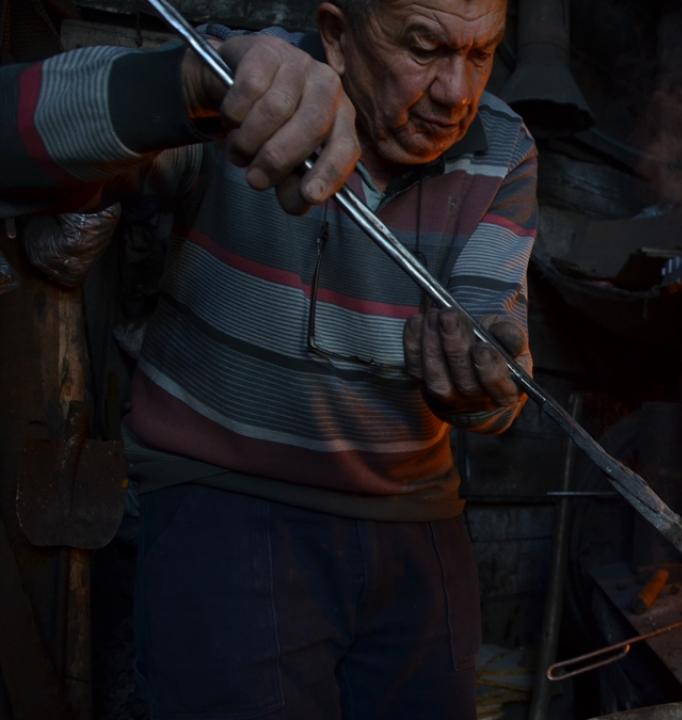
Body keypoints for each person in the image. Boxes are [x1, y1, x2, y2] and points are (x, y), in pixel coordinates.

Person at [0, 0, 534, 717]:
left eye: (481, 53)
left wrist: (486, 384)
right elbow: (10, 135)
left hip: (417, 519)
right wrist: (189, 84)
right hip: (228, 502)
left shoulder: (502, 147)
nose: (456, 92)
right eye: (425, 47)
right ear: (340, 34)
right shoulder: (246, 85)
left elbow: (499, 364)